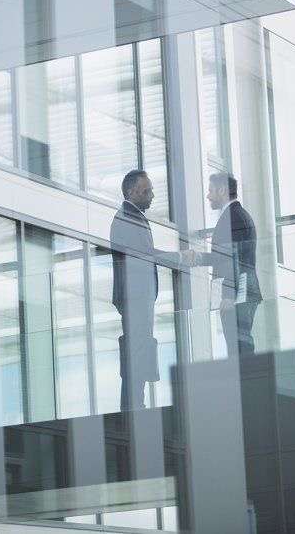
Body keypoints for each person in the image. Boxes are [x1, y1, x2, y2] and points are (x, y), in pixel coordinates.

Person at [110, 169, 183, 410]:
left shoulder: (133, 216)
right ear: (131, 191)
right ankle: (133, 409)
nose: (152, 195)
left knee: (139, 353)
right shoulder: (127, 218)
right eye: (147, 190)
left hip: (138, 297)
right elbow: (145, 255)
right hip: (135, 298)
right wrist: (180, 257)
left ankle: (135, 406)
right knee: (137, 354)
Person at [186, 172, 262, 357]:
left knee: (239, 346)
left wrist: (229, 295)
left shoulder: (233, 217)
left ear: (222, 190)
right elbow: (224, 256)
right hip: (240, 290)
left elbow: (232, 258)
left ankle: (246, 383)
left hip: (238, 293)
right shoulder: (235, 215)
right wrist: (198, 258)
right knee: (239, 344)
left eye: (211, 190)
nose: (208, 196)